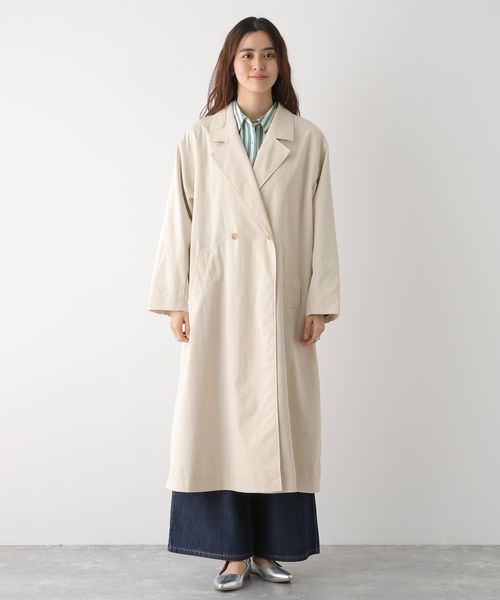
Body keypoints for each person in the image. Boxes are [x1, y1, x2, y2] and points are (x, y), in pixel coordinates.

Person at [148, 16, 340, 592]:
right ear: (230, 64)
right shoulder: (199, 138)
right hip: (220, 297)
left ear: (281, 64)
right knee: (220, 422)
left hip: (282, 304)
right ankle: (232, 552)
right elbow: (177, 221)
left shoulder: (307, 139)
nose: (259, 65)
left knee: (279, 422)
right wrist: (176, 299)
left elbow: (323, 227)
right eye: (248, 54)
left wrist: (319, 300)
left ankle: (269, 548)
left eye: (269, 54)